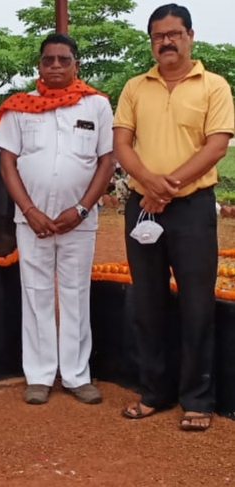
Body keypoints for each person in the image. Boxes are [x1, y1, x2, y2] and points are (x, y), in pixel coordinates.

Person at [114, 4, 234, 431]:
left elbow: (216, 146)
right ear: (151, 41)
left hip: (192, 208)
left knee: (197, 303)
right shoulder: (134, 87)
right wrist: (149, 184)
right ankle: (154, 392)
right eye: (159, 35)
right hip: (142, 205)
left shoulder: (214, 86)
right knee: (147, 302)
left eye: (174, 34)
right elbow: (123, 144)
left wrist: (168, 188)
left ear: (190, 36)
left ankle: (197, 399)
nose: (166, 41)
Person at [0, 33, 114, 405]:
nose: (56, 66)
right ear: (39, 66)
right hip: (32, 221)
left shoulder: (97, 106)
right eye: (49, 60)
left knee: (77, 294)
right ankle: (40, 375)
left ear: (76, 64)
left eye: (64, 59)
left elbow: (107, 162)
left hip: (80, 220)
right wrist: (30, 211)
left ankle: (77, 376)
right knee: (36, 294)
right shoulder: (18, 107)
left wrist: (81, 210)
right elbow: (7, 162)